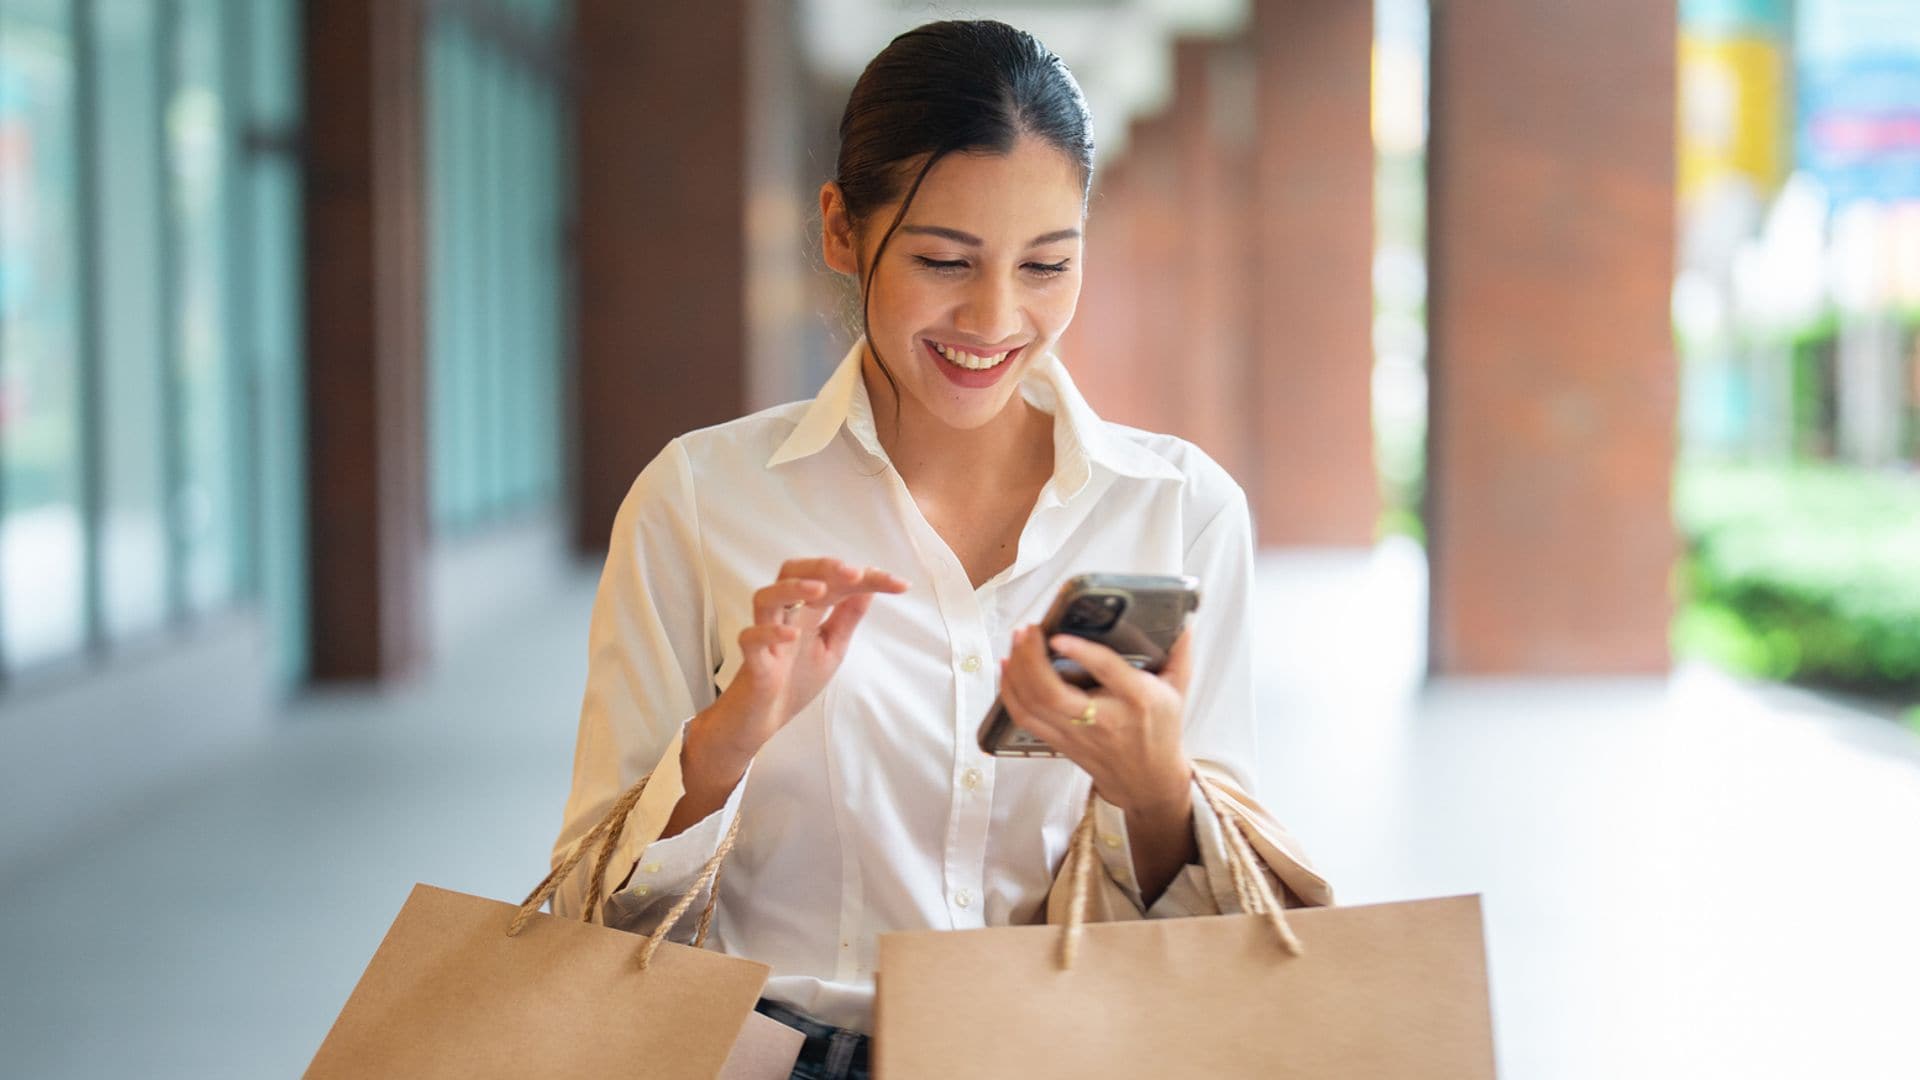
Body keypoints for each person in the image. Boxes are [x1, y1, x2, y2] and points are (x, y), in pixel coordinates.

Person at [548, 18, 1328, 1080]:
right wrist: (729, 740)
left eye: (1048, 264)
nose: (997, 317)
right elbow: (595, 899)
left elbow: (1219, 938)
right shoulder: (700, 499)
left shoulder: (1179, 509)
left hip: (1060, 1056)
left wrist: (1154, 794)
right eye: (944, 260)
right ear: (840, 230)